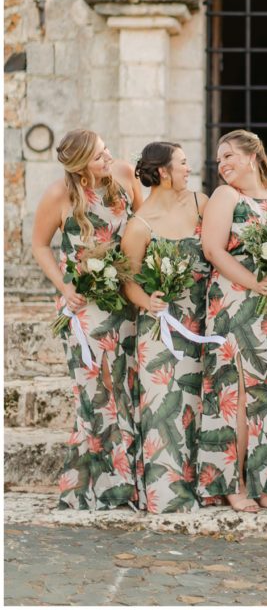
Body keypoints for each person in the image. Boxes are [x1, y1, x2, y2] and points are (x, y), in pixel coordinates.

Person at [31, 129, 141, 509]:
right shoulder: (59, 196)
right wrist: (63, 286)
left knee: (127, 386)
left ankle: (131, 478)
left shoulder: (126, 175)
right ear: (79, 167)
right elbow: (40, 244)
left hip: (125, 301)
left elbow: (143, 226)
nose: (107, 158)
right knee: (97, 391)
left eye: (106, 149)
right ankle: (103, 484)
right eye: (98, 156)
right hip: (84, 307)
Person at [197, 130, 267, 512]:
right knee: (236, 397)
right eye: (219, 160)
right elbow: (212, 249)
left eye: (229, 156)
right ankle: (234, 481)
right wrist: (254, 281)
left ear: (253, 155)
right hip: (235, 304)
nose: (222, 165)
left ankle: (264, 481)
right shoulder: (227, 197)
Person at [121, 142, 209, 513]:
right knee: (164, 408)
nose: (189, 169)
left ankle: (207, 486)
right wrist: (148, 302)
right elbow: (128, 281)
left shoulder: (200, 204)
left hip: (205, 320)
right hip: (161, 330)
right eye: (183, 164)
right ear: (162, 172)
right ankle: (165, 493)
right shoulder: (139, 226)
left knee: (201, 404)